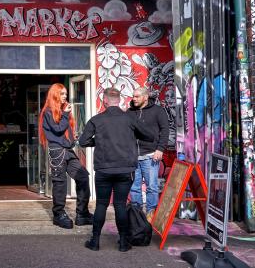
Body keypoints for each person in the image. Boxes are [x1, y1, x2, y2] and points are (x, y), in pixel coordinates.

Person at [78, 87, 154, 252]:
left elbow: (83, 141)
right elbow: (149, 135)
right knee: (120, 205)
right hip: (125, 170)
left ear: (105, 101)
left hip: (104, 170)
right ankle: (123, 243)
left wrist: (96, 141)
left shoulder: (96, 120)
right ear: (119, 100)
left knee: (101, 205)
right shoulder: (129, 119)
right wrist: (132, 137)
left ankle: (95, 242)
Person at [39, 83, 91, 228]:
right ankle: (58, 214)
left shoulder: (61, 111)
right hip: (57, 150)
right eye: (62, 94)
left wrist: (72, 137)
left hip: (67, 150)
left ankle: (82, 213)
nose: (65, 97)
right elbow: (57, 129)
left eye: (66, 94)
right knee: (60, 183)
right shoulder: (48, 112)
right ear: (54, 94)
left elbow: (63, 132)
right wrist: (66, 115)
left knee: (83, 177)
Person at [129, 87, 170, 215]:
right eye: (133, 96)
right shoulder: (129, 112)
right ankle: (137, 214)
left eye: (137, 97)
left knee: (151, 187)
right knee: (134, 187)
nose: (134, 99)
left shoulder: (158, 111)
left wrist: (160, 149)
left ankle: (151, 214)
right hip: (133, 156)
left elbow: (165, 130)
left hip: (151, 155)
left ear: (145, 97)